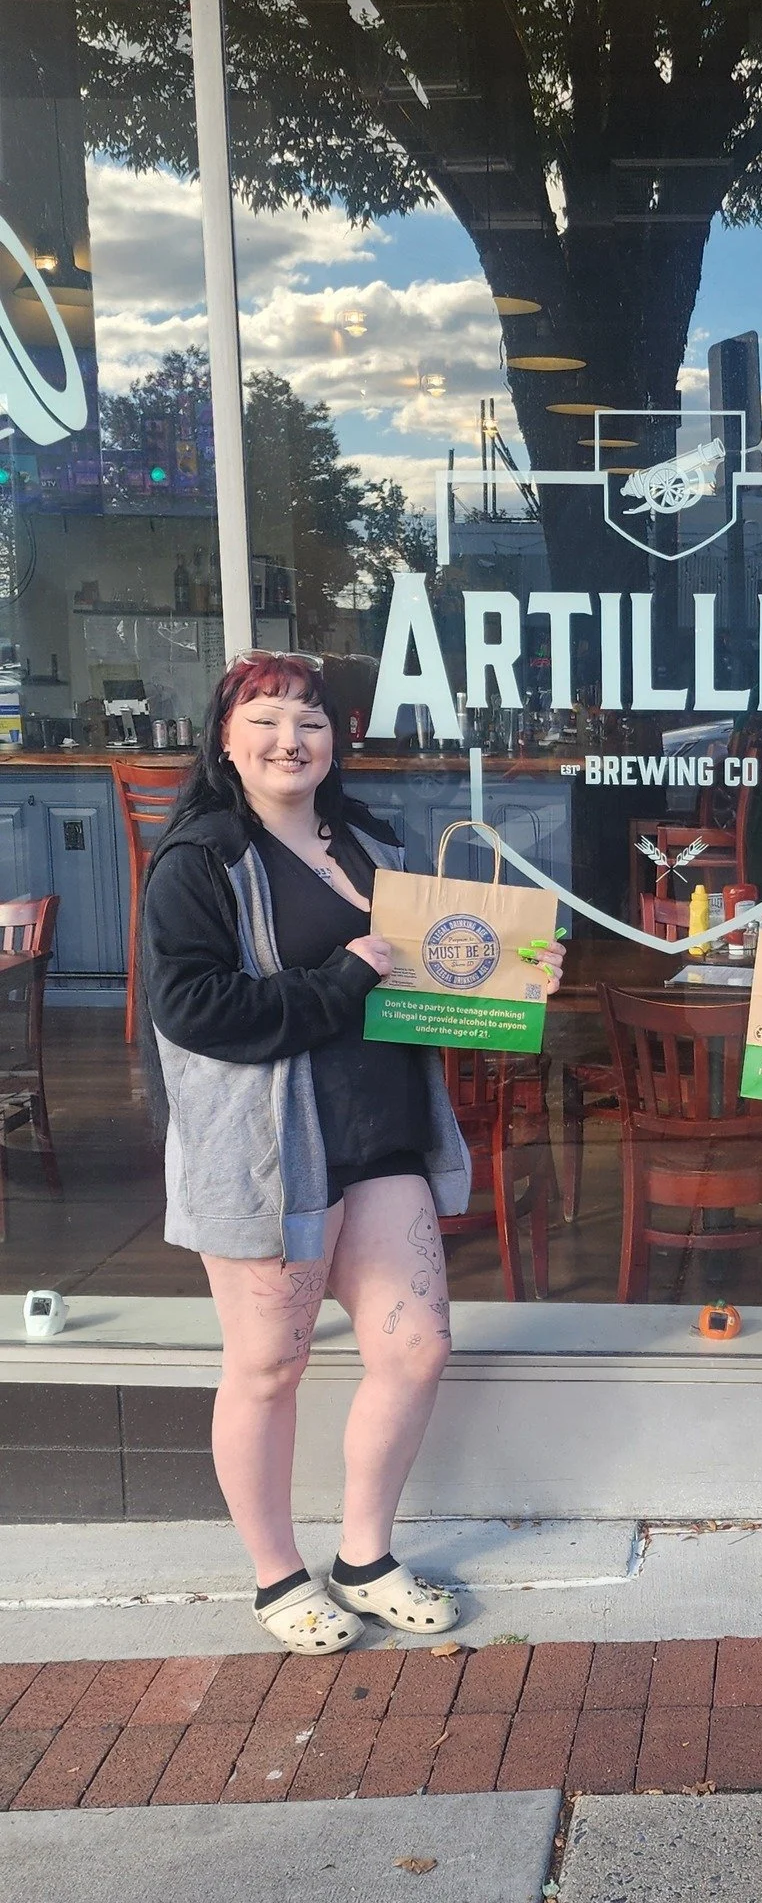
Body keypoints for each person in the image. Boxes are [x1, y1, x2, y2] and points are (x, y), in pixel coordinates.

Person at [140, 651, 564, 1652]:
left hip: (380, 1133)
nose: (292, 740)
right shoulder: (201, 858)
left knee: (417, 1347)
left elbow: (421, 965)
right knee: (268, 1366)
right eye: (268, 720)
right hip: (268, 1152)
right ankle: (276, 1577)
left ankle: (364, 1557)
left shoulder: (367, 837)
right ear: (227, 740)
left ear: (337, 738)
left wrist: (506, 984)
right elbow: (193, 1009)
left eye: (311, 721)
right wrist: (337, 982)